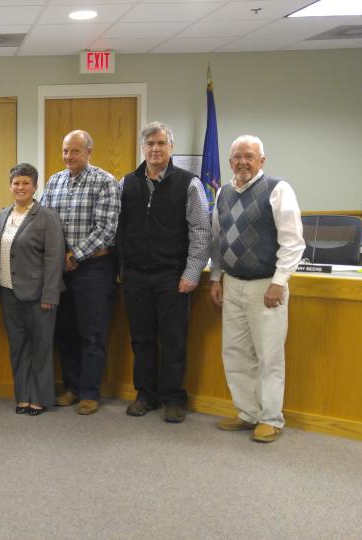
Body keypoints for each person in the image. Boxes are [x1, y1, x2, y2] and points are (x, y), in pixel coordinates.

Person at [210, 135, 304, 443]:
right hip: (233, 285)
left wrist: (279, 282)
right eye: (237, 157)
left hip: (266, 287)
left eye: (249, 156)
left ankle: (271, 418)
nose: (242, 162)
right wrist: (216, 277)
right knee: (235, 353)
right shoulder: (222, 193)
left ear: (262, 161)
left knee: (268, 356)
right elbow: (218, 240)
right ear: (230, 161)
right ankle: (247, 413)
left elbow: (293, 242)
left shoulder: (277, 190)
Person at [118, 122, 210, 423]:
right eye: (150, 144)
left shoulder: (189, 183)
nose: (155, 149)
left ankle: (174, 398)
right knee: (141, 340)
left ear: (171, 147)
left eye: (161, 143)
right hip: (134, 276)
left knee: (173, 340)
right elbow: (120, 229)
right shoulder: (126, 183)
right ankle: (146, 394)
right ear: (143, 148)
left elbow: (200, 230)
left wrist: (192, 272)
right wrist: (121, 269)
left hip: (172, 276)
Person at [40, 129, 120, 415]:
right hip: (61, 270)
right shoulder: (54, 182)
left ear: (89, 152)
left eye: (74, 151)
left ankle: (90, 393)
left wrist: (74, 256)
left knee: (92, 333)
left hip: (94, 269)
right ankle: (72, 388)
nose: (68, 157)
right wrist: (57, 258)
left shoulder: (105, 182)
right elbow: (45, 223)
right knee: (66, 332)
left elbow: (107, 229)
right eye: (65, 151)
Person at [0, 163, 65, 416]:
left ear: (35, 187)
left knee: (40, 348)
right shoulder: (2, 215)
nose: (20, 187)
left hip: (38, 296)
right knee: (18, 348)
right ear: (10, 186)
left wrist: (50, 294)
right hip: (8, 294)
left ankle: (40, 398)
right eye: (16, 183)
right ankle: (22, 397)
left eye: (26, 183)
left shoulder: (47, 217)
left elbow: (54, 259)